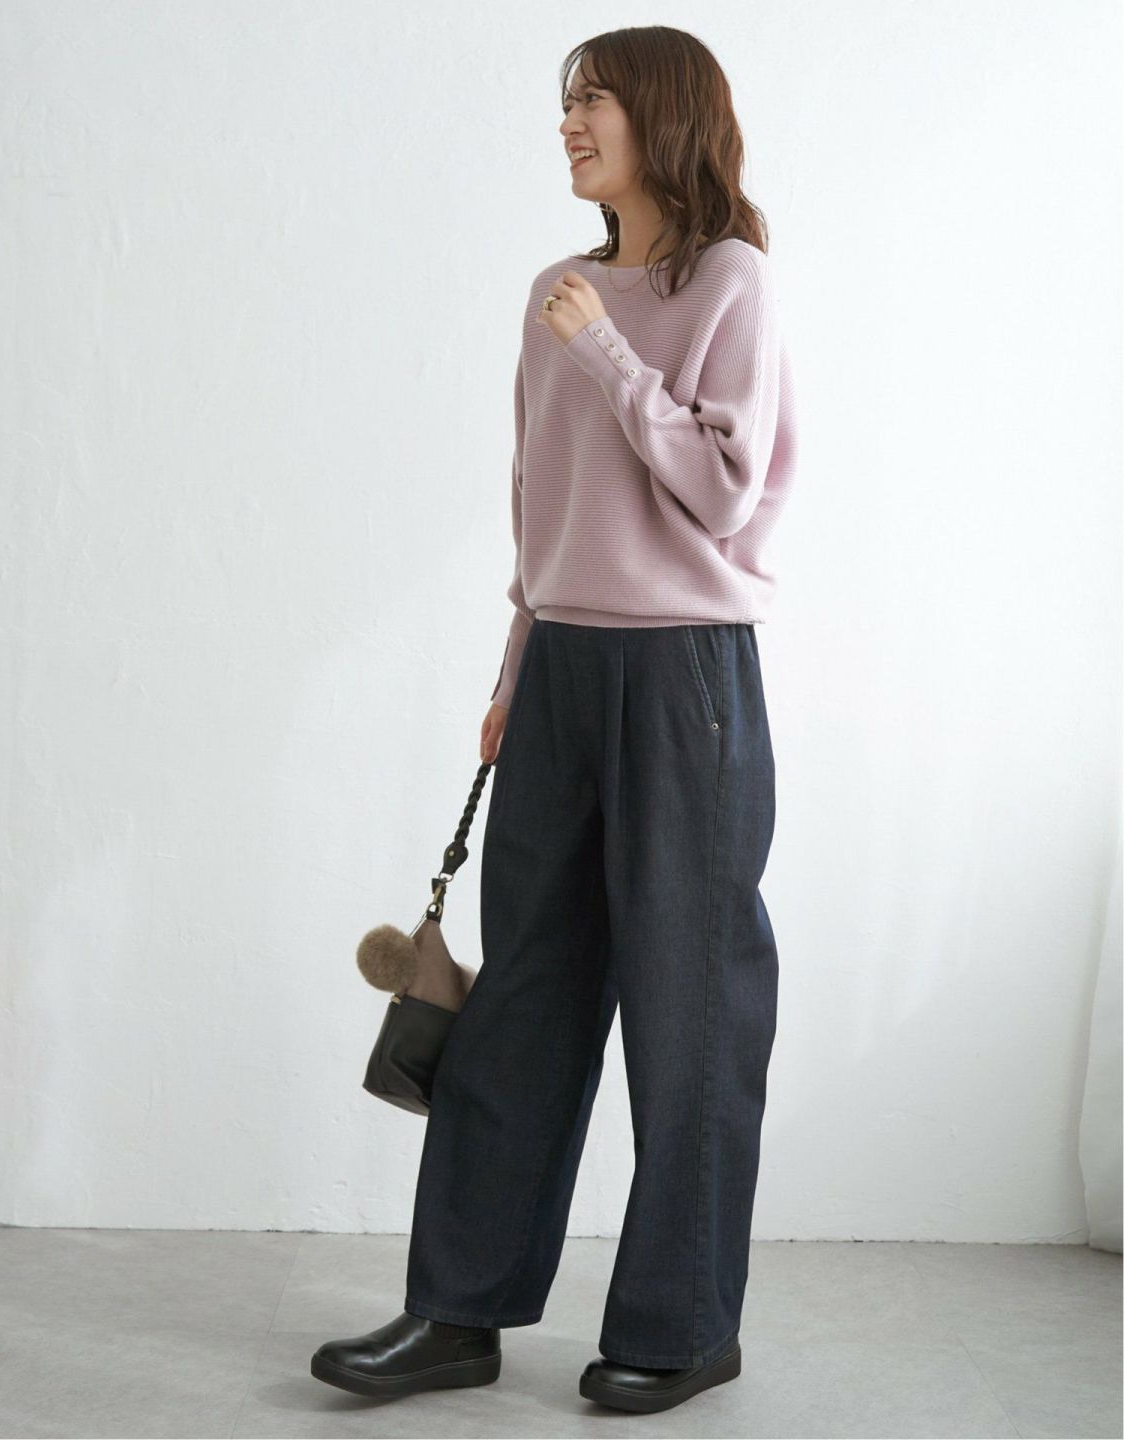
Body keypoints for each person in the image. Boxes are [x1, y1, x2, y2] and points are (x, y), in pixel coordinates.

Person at [312, 24, 798, 1416]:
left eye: (595, 101)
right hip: (565, 669)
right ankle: (455, 1311)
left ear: (666, 116)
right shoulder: (555, 291)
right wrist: (515, 668)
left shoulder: (731, 283)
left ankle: (683, 1326)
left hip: (686, 676)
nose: (572, 123)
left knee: (689, 1008)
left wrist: (609, 356)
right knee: (523, 998)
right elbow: (543, 509)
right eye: (567, 103)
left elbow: (724, 490)